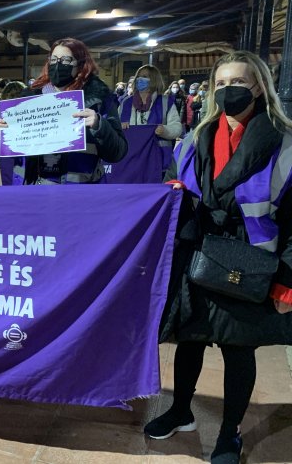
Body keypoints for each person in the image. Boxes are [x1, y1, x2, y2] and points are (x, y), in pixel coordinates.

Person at [148, 51, 292, 464]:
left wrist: (287, 281)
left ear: (259, 87)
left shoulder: (283, 143)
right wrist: (172, 186)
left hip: (249, 261)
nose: (229, 90)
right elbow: (174, 179)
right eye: (222, 83)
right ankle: (181, 411)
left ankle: (230, 434)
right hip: (199, 252)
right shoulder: (196, 137)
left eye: (239, 83)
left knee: (237, 349)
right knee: (190, 339)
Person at [0, 37, 127, 184]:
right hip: (33, 191)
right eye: (54, 59)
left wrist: (99, 126)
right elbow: (10, 157)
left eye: (66, 60)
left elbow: (118, 152)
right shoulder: (27, 102)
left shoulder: (98, 100)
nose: (58, 64)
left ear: (81, 64)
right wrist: (1, 138)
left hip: (78, 193)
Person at [119, 64, 183, 172]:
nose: (139, 79)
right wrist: (120, 127)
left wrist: (165, 130)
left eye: (144, 76)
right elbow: (114, 126)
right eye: (138, 76)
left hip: (158, 160)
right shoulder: (126, 102)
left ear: (153, 79)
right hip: (130, 158)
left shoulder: (165, 102)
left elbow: (177, 128)